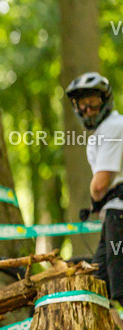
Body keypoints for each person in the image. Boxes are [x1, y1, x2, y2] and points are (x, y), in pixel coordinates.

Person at [66, 72, 123, 301]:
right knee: (99, 287)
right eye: (82, 105)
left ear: (105, 100)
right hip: (113, 215)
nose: (88, 109)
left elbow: (100, 184)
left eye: (92, 102)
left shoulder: (113, 127)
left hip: (119, 216)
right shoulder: (106, 130)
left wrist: (95, 197)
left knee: (118, 290)